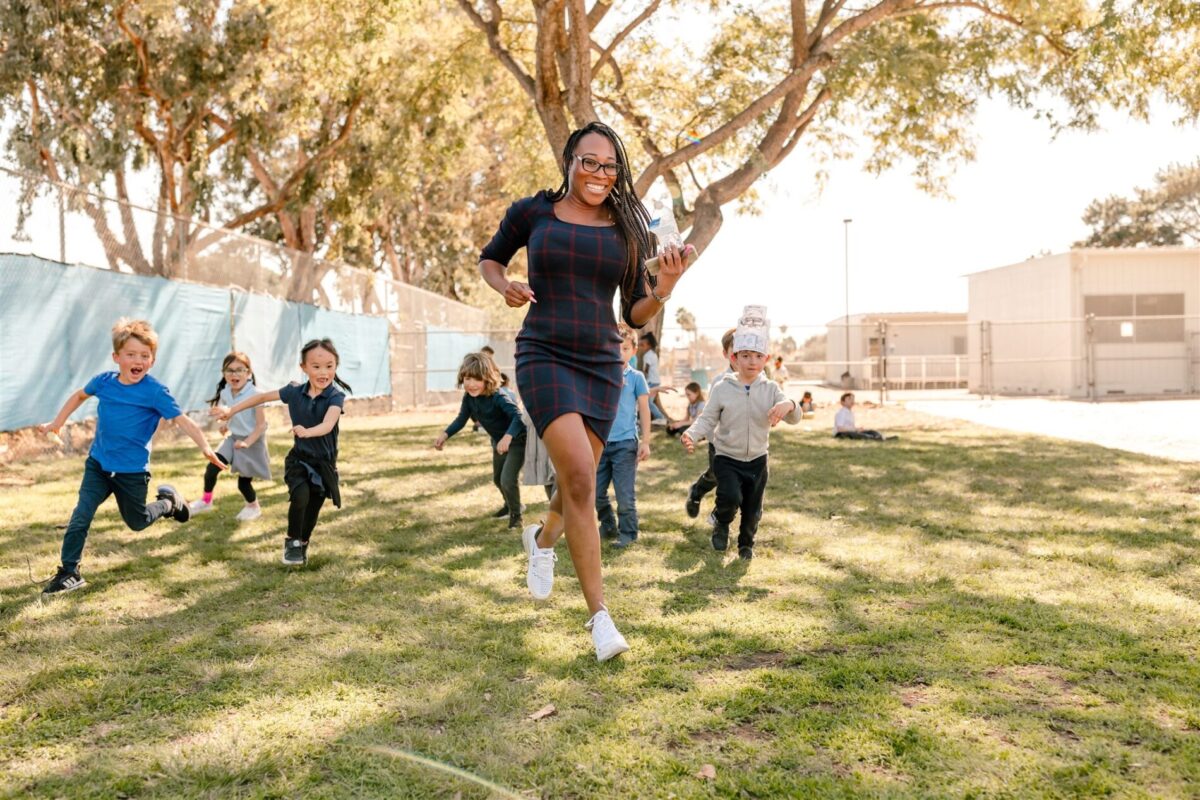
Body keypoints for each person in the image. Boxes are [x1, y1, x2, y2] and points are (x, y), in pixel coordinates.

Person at [478, 120, 692, 661]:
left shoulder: (629, 227)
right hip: (543, 354)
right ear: (570, 161)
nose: (599, 173)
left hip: (601, 362)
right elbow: (490, 258)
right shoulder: (534, 212)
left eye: (609, 165)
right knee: (577, 475)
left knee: (577, 481)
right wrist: (506, 286)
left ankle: (543, 541)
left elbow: (635, 312)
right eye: (588, 161)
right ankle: (600, 619)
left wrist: (664, 288)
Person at [37, 318, 225, 594]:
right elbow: (79, 396)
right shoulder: (103, 382)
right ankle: (69, 572)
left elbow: (183, 420)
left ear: (152, 360)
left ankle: (168, 504)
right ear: (117, 357)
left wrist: (205, 447)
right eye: (131, 355)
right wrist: (58, 422)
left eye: (145, 356)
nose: (138, 360)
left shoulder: (155, 392)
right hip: (98, 465)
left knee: (137, 522)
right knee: (81, 515)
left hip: (131, 472)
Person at [215, 338, 351, 566]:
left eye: (329, 366)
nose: (323, 372)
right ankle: (292, 541)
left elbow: (328, 424)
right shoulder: (294, 391)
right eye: (316, 366)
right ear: (304, 368)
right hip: (299, 459)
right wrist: (232, 410)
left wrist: (308, 432)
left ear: (336, 366)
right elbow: (260, 397)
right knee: (300, 497)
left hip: (324, 464)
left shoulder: (335, 397)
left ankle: (303, 541)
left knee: (314, 507)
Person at [682, 315, 801, 560]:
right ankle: (722, 524)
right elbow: (707, 418)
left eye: (758, 356)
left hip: (758, 459)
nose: (752, 362)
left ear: (766, 359)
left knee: (752, 508)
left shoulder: (771, 389)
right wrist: (692, 433)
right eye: (745, 356)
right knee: (730, 497)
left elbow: (794, 417)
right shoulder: (722, 387)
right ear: (734, 358)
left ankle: (746, 544)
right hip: (727, 457)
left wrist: (789, 404)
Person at [433, 352, 528, 529]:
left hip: (516, 440)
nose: (471, 384)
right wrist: (444, 435)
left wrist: (508, 437)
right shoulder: (469, 398)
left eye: (477, 379)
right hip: (498, 442)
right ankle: (510, 506)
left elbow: (518, 416)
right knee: (498, 480)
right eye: (467, 378)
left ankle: (517, 515)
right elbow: (461, 419)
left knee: (508, 479)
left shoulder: (499, 396)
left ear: (487, 379)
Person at [189, 351, 270, 521]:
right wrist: (226, 425)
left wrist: (247, 442)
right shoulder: (227, 392)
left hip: (252, 442)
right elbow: (234, 411)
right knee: (212, 468)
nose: (234, 374)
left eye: (240, 370)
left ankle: (253, 507)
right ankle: (206, 501)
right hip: (234, 438)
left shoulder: (257, 394)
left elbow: (261, 425)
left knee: (243, 483)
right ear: (224, 374)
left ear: (248, 373)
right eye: (229, 370)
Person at [596, 325, 651, 547]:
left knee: (624, 496)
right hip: (599, 443)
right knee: (596, 494)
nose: (619, 353)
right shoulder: (599, 376)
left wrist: (645, 441)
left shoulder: (637, 378)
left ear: (633, 350)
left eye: (625, 348)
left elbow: (645, 409)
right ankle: (608, 524)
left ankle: (628, 533)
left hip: (625, 445)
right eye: (614, 348)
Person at [684, 328, 735, 520]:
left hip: (745, 444)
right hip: (720, 442)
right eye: (735, 349)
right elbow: (710, 414)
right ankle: (696, 492)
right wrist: (696, 433)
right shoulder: (719, 382)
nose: (741, 354)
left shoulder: (758, 380)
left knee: (735, 483)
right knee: (717, 477)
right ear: (726, 353)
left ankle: (719, 519)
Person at [637, 331, 671, 424]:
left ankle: (660, 418)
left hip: (651, 381)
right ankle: (645, 418)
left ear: (648, 345)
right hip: (655, 381)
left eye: (642, 345)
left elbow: (646, 370)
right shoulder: (653, 354)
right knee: (647, 401)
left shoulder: (647, 355)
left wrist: (641, 379)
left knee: (647, 401)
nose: (640, 347)